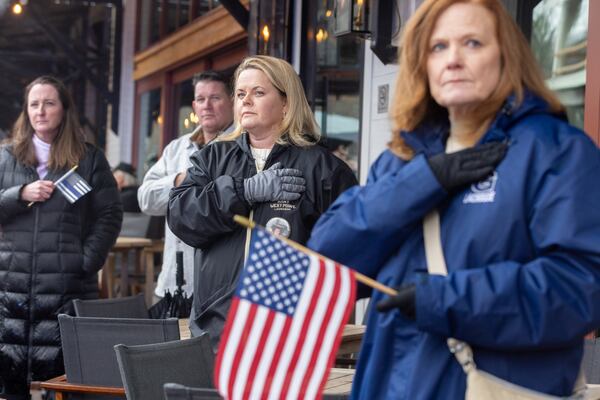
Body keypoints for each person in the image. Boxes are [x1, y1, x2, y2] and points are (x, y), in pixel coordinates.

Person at [307, 0, 600, 398]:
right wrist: (422, 182)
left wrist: (445, 299)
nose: (454, 59)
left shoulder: (556, 151)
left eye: (473, 43)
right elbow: (324, 261)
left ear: (506, 57)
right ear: (422, 64)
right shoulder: (402, 160)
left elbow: (580, 288)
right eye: (438, 47)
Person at [168, 55, 358, 350]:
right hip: (217, 325)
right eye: (241, 94)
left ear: (286, 102)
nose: (246, 101)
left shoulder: (323, 168)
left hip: (289, 333)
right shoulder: (213, 157)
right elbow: (181, 217)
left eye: (258, 92)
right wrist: (241, 192)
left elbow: (348, 255)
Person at [0, 76, 122, 399]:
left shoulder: (89, 159)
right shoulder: (6, 157)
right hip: (12, 291)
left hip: (67, 289)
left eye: (49, 103)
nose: (41, 111)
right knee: (11, 382)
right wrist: (19, 193)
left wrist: (86, 261)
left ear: (64, 109)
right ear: (26, 112)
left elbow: (109, 215)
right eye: (34, 104)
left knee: (68, 383)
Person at [138, 70, 234, 301]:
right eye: (201, 99)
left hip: (222, 288)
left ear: (232, 101)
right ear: (193, 105)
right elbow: (146, 200)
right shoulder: (177, 149)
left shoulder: (241, 148)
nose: (207, 106)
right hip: (173, 283)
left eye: (215, 98)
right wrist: (179, 181)